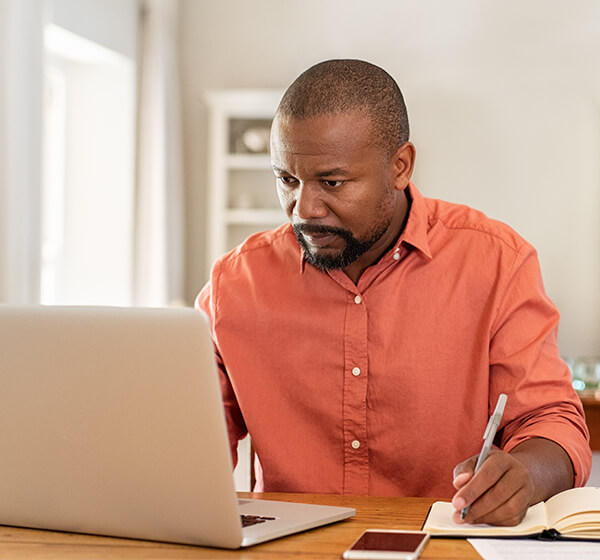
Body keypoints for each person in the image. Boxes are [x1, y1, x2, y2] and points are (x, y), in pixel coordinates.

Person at [196, 59, 591, 526]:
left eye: (332, 182)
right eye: (287, 180)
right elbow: (188, 444)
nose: (303, 209)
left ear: (400, 166)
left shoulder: (497, 263)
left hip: (445, 547)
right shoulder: (234, 285)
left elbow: (552, 420)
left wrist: (525, 473)